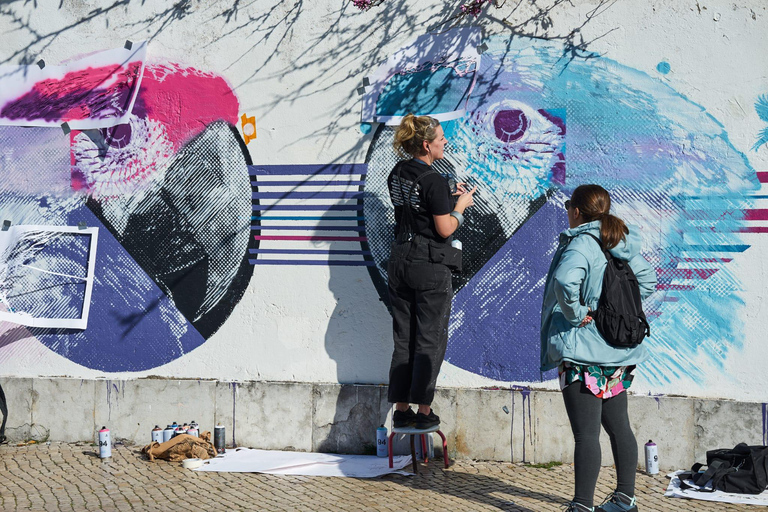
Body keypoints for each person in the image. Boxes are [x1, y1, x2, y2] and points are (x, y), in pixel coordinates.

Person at [540, 184, 656, 512]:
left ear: (576, 211)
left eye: (568, 209)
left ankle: (581, 506)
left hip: (583, 354)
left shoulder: (582, 243)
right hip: (618, 353)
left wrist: (579, 313)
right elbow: (647, 281)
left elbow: (565, 281)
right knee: (619, 425)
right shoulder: (619, 241)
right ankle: (625, 499)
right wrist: (618, 311)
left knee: (586, 434)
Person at [386, 113, 477, 430]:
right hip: (428, 266)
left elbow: (415, 202)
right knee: (429, 338)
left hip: (399, 260)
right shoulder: (434, 181)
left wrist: (445, 195)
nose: (445, 142)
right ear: (426, 145)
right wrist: (460, 207)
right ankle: (424, 412)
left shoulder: (397, 173)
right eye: (440, 139)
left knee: (403, 338)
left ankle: (401, 409)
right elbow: (444, 228)